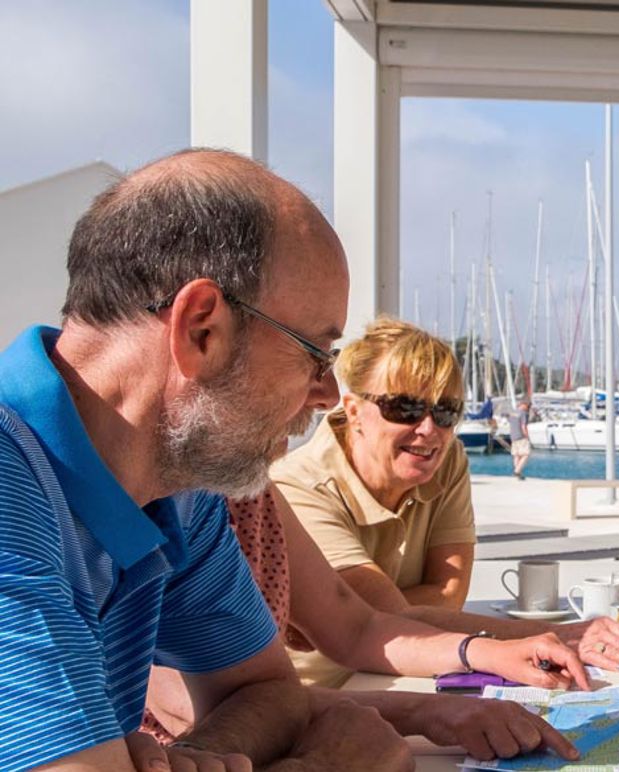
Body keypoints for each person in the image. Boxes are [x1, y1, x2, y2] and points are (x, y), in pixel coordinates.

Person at [0, 149, 412, 770]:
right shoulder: (9, 488)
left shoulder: (171, 491)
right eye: (315, 353)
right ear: (202, 330)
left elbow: (267, 691)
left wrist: (195, 759)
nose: (328, 394)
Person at [272, 318, 619, 686]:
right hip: (327, 696)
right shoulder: (299, 487)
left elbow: (448, 597)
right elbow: (381, 620)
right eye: (404, 408)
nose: (428, 430)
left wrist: (385, 613)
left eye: (445, 412)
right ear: (353, 411)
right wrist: (559, 634)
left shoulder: (445, 458)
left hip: (410, 673)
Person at [143, 486, 591, 763]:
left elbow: (355, 625)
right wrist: (424, 711)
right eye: (313, 356)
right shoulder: (161, 499)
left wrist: (487, 650)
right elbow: (198, 701)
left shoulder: (250, 490)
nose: (327, 394)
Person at [510, 400, 532, 479]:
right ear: (525, 405)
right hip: (521, 436)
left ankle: (517, 473)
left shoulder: (513, 413)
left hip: (513, 436)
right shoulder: (523, 413)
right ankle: (517, 471)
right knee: (526, 454)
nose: (528, 408)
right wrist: (527, 436)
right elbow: (523, 426)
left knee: (517, 455)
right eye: (528, 406)